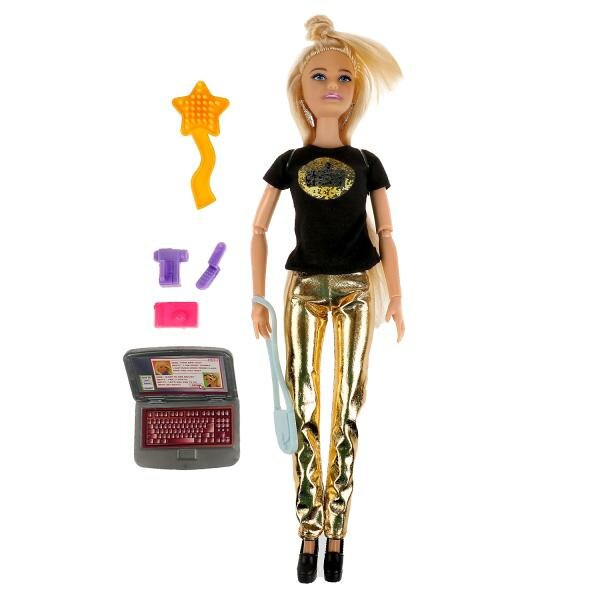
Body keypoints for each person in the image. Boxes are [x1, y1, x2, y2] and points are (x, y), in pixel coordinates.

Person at [251, 15, 405, 583]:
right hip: (302, 288)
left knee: (348, 407)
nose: (332, 86)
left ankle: (337, 529)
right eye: (319, 76)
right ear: (301, 88)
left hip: (358, 288)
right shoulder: (289, 163)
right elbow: (258, 230)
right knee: (305, 405)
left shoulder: (367, 163)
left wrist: (397, 296)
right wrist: (257, 297)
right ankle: (307, 529)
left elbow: (386, 233)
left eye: (343, 77)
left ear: (356, 89)